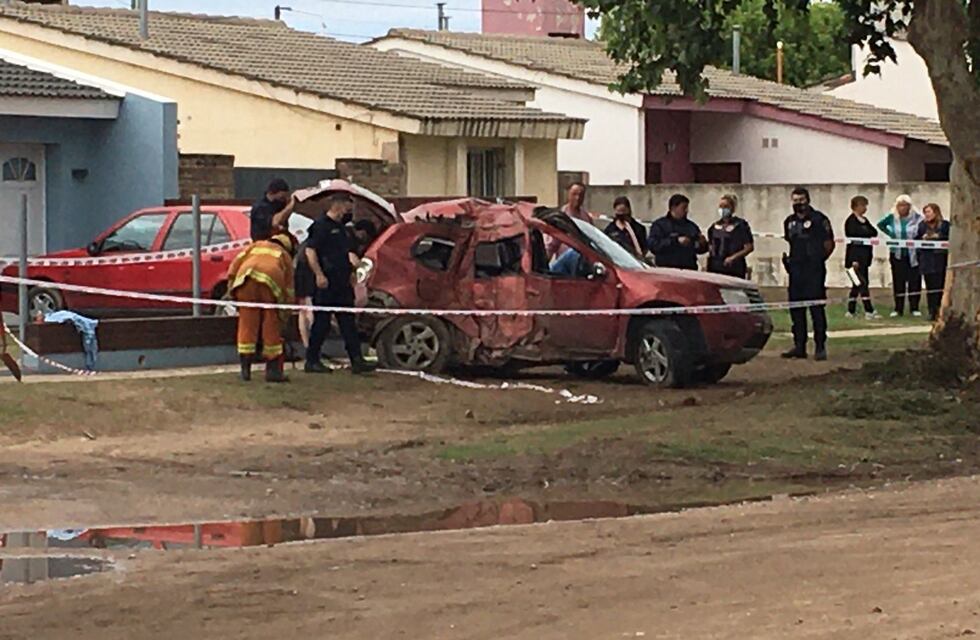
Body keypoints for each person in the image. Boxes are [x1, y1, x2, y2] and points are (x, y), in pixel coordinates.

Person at [304, 192, 376, 375]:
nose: (348, 210)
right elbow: (310, 251)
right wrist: (319, 275)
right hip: (326, 282)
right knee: (322, 323)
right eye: (347, 205)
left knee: (348, 323)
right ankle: (312, 361)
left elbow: (347, 253)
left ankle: (357, 360)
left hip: (342, 283)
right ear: (337, 204)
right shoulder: (321, 226)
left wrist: (352, 272)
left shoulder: (343, 229)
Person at [227, 232, 296, 383]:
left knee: (247, 325)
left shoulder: (254, 246)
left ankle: (245, 371)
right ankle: (273, 371)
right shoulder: (285, 255)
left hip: (245, 282)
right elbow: (289, 289)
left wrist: (232, 290)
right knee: (271, 325)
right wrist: (285, 314)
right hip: (270, 285)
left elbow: (234, 266)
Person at [781, 187, 835, 361]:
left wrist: (818, 260)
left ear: (808, 200)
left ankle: (820, 346)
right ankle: (799, 346)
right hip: (796, 270)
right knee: (796, 309)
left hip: (814, 270)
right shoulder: (789, 221)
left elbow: (829, 244)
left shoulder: (819, 219)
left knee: (816, 308)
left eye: (801, 200)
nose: (798, 204)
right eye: (795, 200)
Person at [877, 194, 925, 317]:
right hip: (896, 254)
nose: (902, 208)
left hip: (914, 254)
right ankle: (898, 308)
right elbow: (880, 224)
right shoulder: (892, 217)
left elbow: (923, 229)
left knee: (914, 281)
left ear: (910, 206)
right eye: (900, 205)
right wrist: (891, 234)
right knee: (898, 281)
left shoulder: (917, 218)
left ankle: (914, 307)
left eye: (905, 205)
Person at [647, 193, 708, 270]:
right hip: (667, 268)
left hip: (688, 268)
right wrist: (675, 241)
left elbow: (699, 249)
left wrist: (702, 244)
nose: (686, 211)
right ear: (673, 208)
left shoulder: (691, 227)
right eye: (683, 208)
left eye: (687, 208)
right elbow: (654, 245)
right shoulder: (660, 225)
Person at [843, 195, 880, 319]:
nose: (865, 208)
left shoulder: (864, 220)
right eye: (862, 205)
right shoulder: (851, 221)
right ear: (856, 206)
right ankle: (869, 310)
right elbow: (853, 238)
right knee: (861, 284)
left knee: (857, 285)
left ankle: (851, 310)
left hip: (865, 258)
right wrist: (854, 260)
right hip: (854, 260)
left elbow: (873, 232)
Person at [915, 202, 951, 321]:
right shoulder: (922, 225)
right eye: (925, 212)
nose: (927, 214)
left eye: (929, 212)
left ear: (935, 212)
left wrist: (938, 237)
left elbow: (949, 238)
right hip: (927, 260)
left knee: (940, 286)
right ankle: (932, 311)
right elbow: (917, 240)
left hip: (940, 259)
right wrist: (923, 238)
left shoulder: (944, 225)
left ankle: (941, 311)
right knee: (930, 288)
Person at [706, 194, 754, 279]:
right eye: (721, 206)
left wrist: (733, 258)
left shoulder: (740, 226)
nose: (723, 209)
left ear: (732, 208)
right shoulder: (713, 227)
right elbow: (710, 248)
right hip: (715, 268)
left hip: (734, 269)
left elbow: (749, 247)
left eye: (726, 206)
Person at [547, 182, 594, 258]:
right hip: (565, 260)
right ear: (568, 194)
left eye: (581, 195)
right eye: (574, 194)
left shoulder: (586, 217)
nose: (577, 198)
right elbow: (551, 245)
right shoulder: (560, 216)